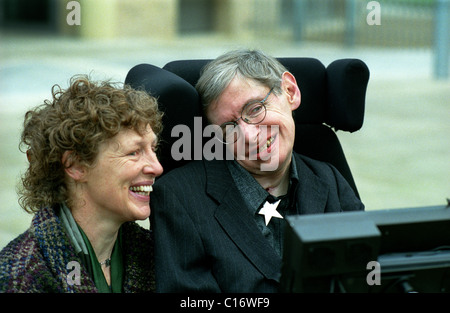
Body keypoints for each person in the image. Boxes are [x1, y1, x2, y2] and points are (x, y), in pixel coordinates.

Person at [151, 49, 365, 293]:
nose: (249, 136)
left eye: (254, 109)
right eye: (229, 127)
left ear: (290, 92)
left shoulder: (330, 181)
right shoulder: (178, 198)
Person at [0, 75, 163, 293]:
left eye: (153, 149)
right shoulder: (18, 277)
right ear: (75, 165)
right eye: (134, 152)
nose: (157, 167)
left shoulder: (158, 255)